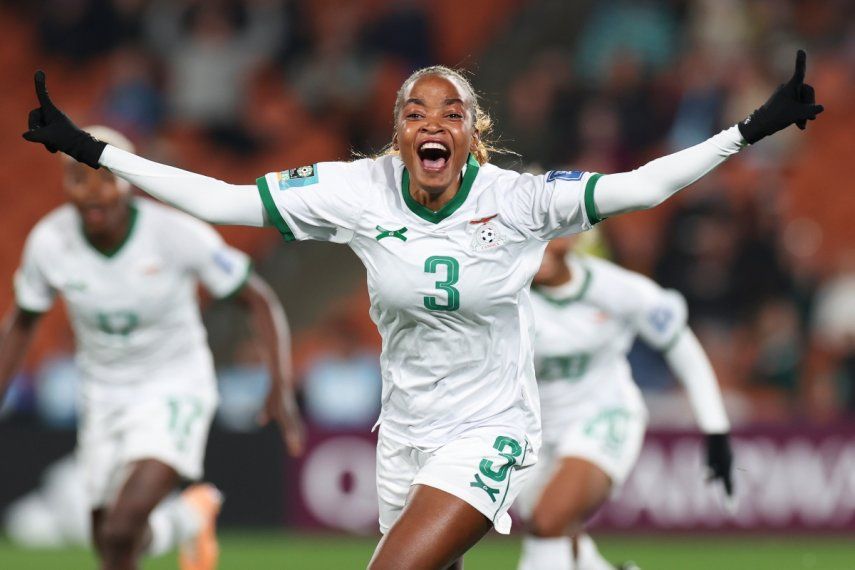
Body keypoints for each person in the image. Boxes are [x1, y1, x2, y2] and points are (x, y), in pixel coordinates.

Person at [21, 50, 821, 569]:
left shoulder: (518, 201)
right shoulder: (356, 189)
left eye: (451, 114)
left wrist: (746, 131)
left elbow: (638, 186)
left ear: (474, 137)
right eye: (414, 113)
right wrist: (96, 152)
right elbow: (225, 200)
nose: (431, 123)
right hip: (403, 432)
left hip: (490, 430)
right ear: (397, 136)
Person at [2, 126, 304, 570]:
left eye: (104, 177)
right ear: (64, 182)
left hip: (174, 385)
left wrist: (280, 383)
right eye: (77, 177)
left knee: (122, 527)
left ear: (126, 180)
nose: (92, 191)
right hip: (102, 393)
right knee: (111, 543)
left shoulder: (174, 232)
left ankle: (182, 516)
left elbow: (256, 297)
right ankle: (187, 518)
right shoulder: (50, 242)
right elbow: (23, 322)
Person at [515, 235, 732, 570]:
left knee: (548, 521)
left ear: (571, 237)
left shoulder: (617, 289)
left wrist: (716, 431)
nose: (538, 247)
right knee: (554, 524)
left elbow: (682, 349)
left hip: (604, 415)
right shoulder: (503, 294)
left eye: (547, 235)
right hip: (534, 431)